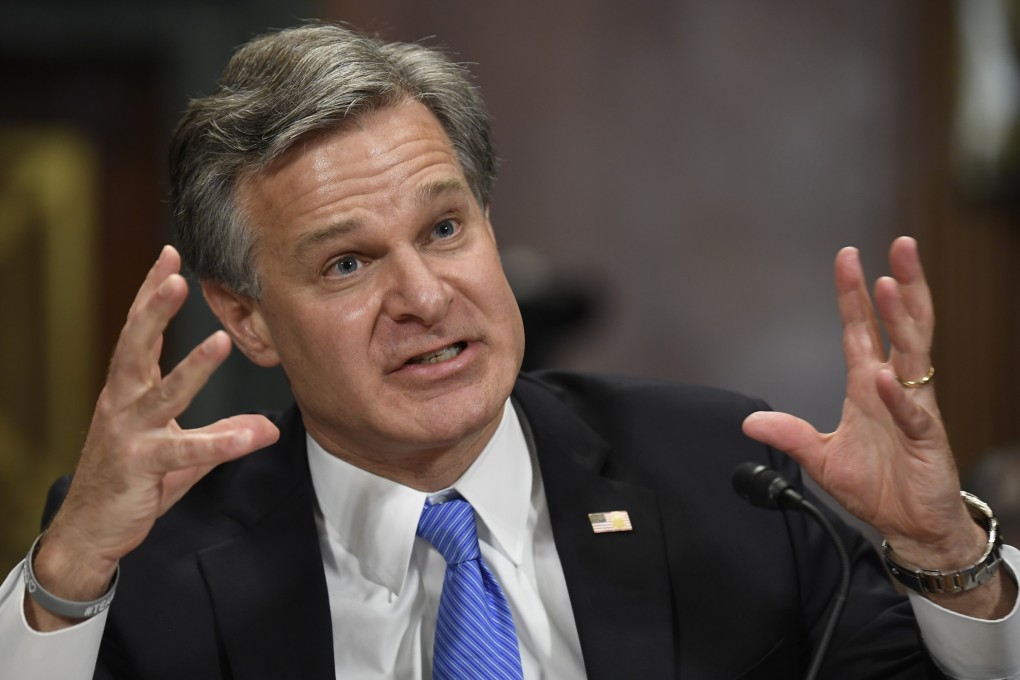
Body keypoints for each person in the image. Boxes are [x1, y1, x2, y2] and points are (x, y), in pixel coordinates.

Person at [0, 21, 1017, 679]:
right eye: (348, 264)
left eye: (444, 230)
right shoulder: (147, 558)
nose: (424, 295)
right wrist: (67, 580)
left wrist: (947, 557)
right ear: (250, 317)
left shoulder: (728, 483)